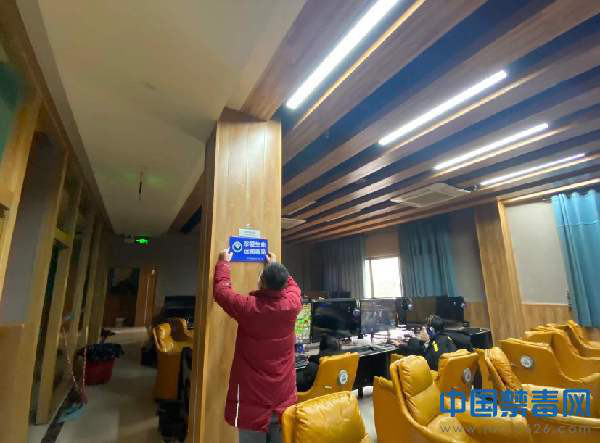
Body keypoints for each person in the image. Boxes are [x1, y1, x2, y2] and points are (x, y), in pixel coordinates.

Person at [213, 249, 301, 443]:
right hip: (283, 398)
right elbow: (293, 285)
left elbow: (221, 292)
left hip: (252, 402)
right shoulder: (292, 304)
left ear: (261, 283)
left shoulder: (249, 308)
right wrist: (275, 266)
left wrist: (224, 263)